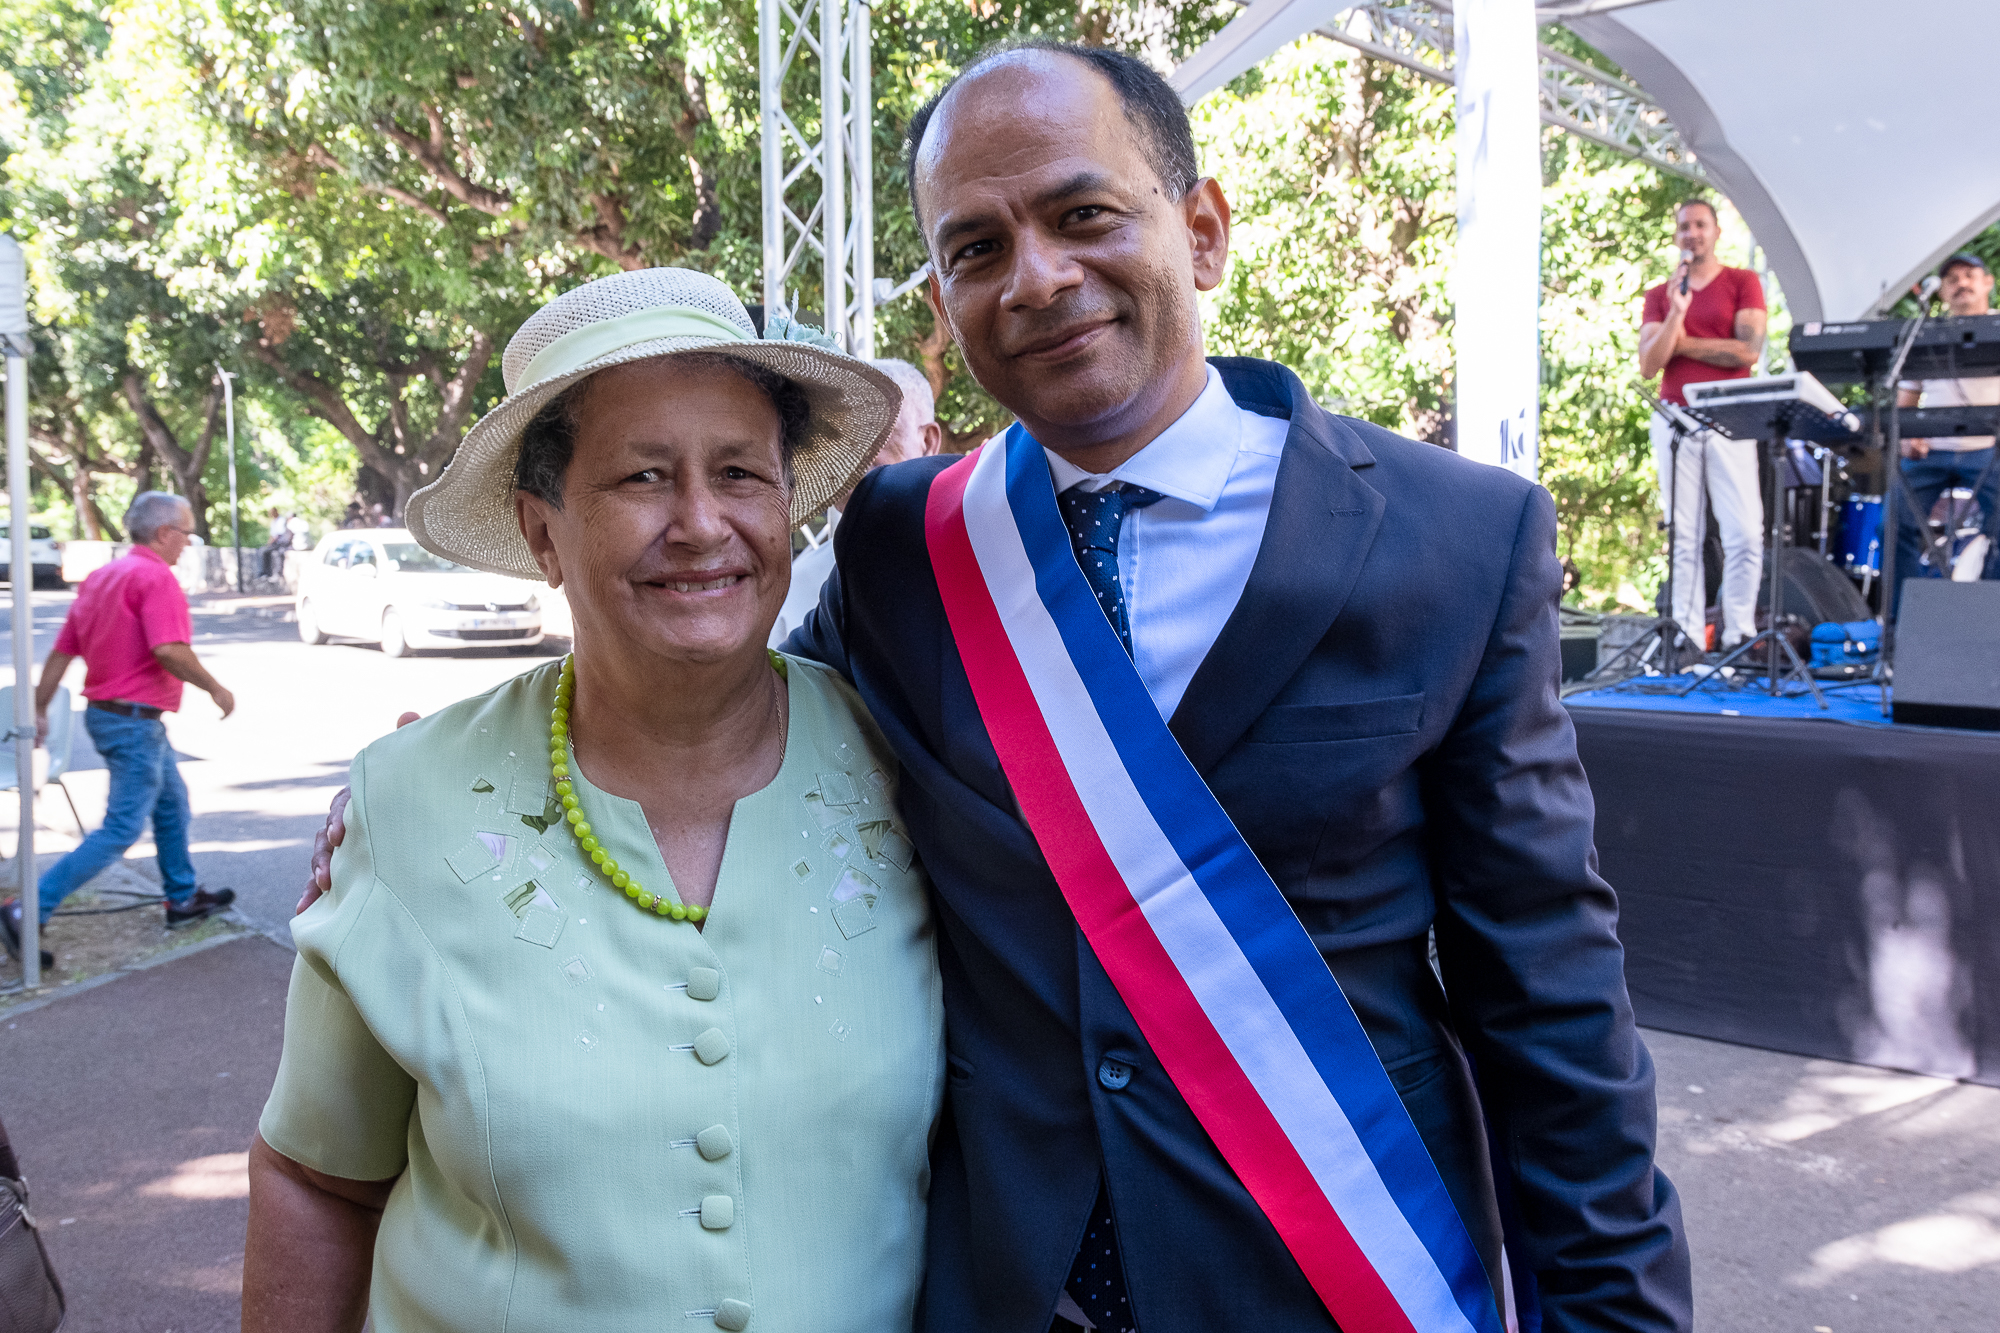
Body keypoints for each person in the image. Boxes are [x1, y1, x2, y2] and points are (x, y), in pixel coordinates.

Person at [309, 44, 1691, 1333]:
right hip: (997, 1285)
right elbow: (715, 686)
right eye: (978, 248)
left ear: (1200, 228)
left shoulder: (1453, 539)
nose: (1036, 278)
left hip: (1319, 1270)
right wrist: (458, 772)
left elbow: (1549, 999)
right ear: (944, 303)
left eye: (1083, 215)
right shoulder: (912, 550)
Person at [245, 268, 942, 1333]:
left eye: (742, 473)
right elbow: (317, 1176)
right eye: (641, 478)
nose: (703, 523)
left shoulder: (909, 768)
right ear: (540, 530)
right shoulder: (411, 801)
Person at [0, 493, 237, 970]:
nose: (188, 545)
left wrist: (41, 707)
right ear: (164, 533)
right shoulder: (155, 577)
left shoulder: (102, 579)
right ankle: (28, 908)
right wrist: (216, 689)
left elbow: (63, 650)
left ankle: (182, 897)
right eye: (186, 535)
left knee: (171, 803)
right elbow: (169, 649)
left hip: (114, 716)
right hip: (133, 722)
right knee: (121, 827)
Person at [1638, 198, 1769, 649]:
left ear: (1715, 231)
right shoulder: (1661, 294)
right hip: (1675, 419)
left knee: (1745, 531)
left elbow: (1746, 351)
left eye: (1700, 224)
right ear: (1676, 237)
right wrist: (1676, 311)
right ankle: (1688, 635)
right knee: (1684, 534)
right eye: (1683, 227)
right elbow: (1650, 364)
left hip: (1732, 414)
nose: (1692, 233)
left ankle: (1740, 632)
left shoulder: (1741, 281)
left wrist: (1681, 342)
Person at [768, 357, 942, 646]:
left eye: (877, 434)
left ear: (927, 443)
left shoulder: (980, 555)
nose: (856, 458)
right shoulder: (798, 584)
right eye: (841, 440)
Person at [1892, 250, 2000, 607]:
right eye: (1952, 280)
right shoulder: (1922, 336)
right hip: (1932, 452)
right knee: (1892, 524)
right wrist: (1908, 438)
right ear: (1941, 293)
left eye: (1970, 275)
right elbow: (1904, 406)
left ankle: (1989, 616)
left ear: (1988, 283)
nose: (1961, 284)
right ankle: (1901, 622)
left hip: (1988, 448)